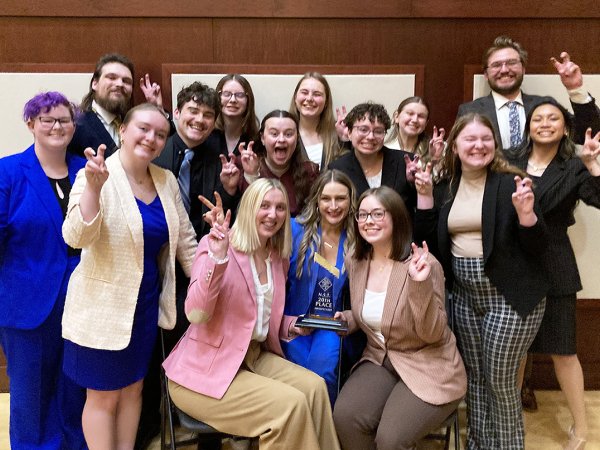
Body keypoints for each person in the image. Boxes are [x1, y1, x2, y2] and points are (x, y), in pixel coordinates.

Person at [163, 178, 340, 450]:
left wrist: (293, 325)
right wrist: (218, 259)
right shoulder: (217, 245)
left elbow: (257, 318)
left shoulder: (276, 257)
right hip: (202, 371)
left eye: (280, 207)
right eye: (264, 205)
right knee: (289, 407)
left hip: (252, 356)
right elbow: (196, 314)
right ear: (248, 207)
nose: (273, 214)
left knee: (315, 389)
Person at [61, 103, 197, 450]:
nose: (152, 138)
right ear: (123, 130)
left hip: (145, 307)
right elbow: (75, 237)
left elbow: (187, 244)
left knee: (134, 389)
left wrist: (214, 275)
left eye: (161, 134)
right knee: (104, 397)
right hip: (100, 310)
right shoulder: (95, 173)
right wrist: (93, 188)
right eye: (144, 129)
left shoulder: (165, 181)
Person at [414, 113, 549, 449]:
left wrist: (527, 215)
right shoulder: (446, 186)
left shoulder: (511, 183)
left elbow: (538, 248)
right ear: (454, 147)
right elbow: (428, 241)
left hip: (510, 295)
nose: (478, 146)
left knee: (500, 381)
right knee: (474, 379)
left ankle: (507, 446)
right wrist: (426, 197)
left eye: (485, 139)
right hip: (464, 296)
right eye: (469, 140)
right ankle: (478, 443)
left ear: (495, 144)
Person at [139, 80, 241, 448]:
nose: (199, 120)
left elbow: (228, 222)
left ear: (215, 122)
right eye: (192, 112)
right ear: (176, 113)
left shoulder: (221, 157)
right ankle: (150, 428)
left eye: (207, 115)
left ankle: (207, 438)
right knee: (154, 358)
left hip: (203, 277)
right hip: (155, 274)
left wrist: (231, 191)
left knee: (202, 355)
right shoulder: (154, 149)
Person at [332, 186, 466, 450]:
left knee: (390, 440)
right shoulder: (356, 261)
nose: (368, 221)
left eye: (377, 214)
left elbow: (433, 333)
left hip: (428, 362)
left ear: (397, 217)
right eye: (362, 215)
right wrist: (346, 319)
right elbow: (373, 312)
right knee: (345, 419)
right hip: (381, 358)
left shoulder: (423, 265)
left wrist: (419, 285)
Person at [508, 98, 600, 449]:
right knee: (516, 351)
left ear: (565, 128)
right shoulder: (509, 162)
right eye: (538, 118)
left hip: (556, 264)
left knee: (564, 351)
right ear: (528, 127)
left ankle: (581, 426)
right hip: (516, 264)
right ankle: (509, 416)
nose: (545, 123)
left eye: (553, 118)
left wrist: (593, 165)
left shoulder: (574, 165)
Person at [0, 92, 87, 450]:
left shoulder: (87, 169)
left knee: (74, 390)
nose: (56, 126)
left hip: (82, 302)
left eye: (64, 120)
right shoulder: (8, 171)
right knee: (30, 397)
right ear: (31, 124)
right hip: (27, 304)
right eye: (47, 119)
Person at [282, 169, 356, 405]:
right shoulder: (294, 230)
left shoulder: (359, 238)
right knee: (297, 381)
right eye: (326, 198)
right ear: (316, 200)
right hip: (296, 322)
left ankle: (323, 435)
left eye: (340, 198)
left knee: (322, 374)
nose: (333, 206)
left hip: (332, 326)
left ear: (351, 201)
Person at [457, 37, 600, 154]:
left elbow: (589, 134)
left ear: (523, 69)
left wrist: (575, 89)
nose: (505, 69)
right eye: (496, 65)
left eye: (512, 63)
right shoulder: (470, 111)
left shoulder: (545, 105)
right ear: (486, 75)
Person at [68, 53, 170, 158]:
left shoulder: (135, 124)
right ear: (95, 83)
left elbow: (168, 151)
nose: (120, 84)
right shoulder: (76, 125)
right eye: (112, 78)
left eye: (126, 81)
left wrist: (158, 109)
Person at [328, 102, 416, 214]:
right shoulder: (337, 169)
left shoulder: (406, 162)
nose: (370, 137)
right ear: (349, 133)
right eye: (363, 130)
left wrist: (414, 184)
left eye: (378, 131)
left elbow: (419, 207)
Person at [239, 109, 319, 216]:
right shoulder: (244, 164)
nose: (281, 139)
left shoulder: (310, 171)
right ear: (262, 138)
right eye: (274, 134)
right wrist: (251, 175)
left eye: (288, 134)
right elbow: (243, 213)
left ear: (297, 138)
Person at [289, 72, 344, 169]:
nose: (309, 98)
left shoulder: (337, 134)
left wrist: (346, 140)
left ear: (326, 102)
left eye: (317, 94)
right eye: (304, 92)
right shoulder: (285, 134)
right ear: (295, 98)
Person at [213, 74, 260, 156]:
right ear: (218, 97)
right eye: (226, 94)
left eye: (240, 95)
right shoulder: (206, 137)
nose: (233, 100)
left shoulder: (257, 141)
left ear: (248, 100)